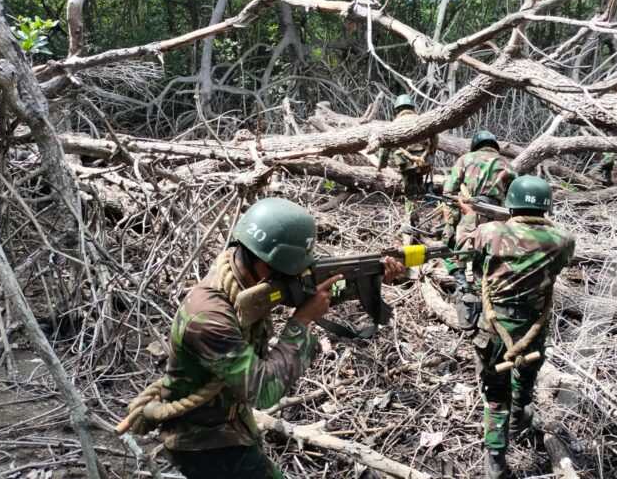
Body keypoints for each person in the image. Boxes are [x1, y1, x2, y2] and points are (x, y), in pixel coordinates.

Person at [124, 198, 404, 479]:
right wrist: (301, 322)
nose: (295, 276)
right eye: (290, 270)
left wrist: (371, 278)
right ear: (266, 263)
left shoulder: (241, 273)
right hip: (203, 441)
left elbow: (313, 289)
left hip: (231, 424)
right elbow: (264, 391)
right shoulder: (208, 316)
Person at [456, 176, 575, 479]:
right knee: (525, 377)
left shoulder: (490, 232)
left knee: (496, 393)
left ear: (511, 202)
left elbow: (461, 249)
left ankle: (496, 459)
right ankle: (520, 418)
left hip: (495, 329)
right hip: (533, 328)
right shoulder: (563, 239)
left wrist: (469, 216)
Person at [441, 130, 515, 317]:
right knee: (490, 254)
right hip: (498, 214)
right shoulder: (507, 164)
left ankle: (463, 290)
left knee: (456, 250)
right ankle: (489, 295)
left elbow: (448, 192)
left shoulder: (465, 159)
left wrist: (461, 206)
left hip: (471, 211)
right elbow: (513, 198)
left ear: (475, 145)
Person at [377, 94, 438, 242]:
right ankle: (416, 223)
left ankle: (410, 227)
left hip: (406, 164)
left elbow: (384, 146)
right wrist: (430, 153)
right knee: (418, 190)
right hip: (423, 163)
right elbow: (435, 138)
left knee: (410, 194)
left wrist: (381, 165)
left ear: (397, 109)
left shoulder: (394, 125)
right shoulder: (422, 120)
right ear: (412, 107)